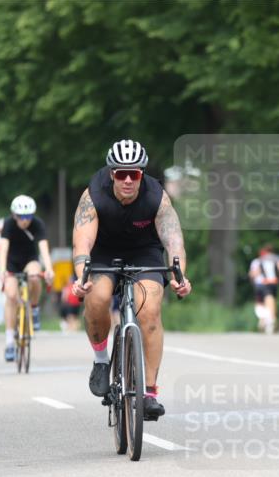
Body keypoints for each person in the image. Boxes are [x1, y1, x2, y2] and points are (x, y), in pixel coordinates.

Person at [70, 139, 192, 420]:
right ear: (111, 173)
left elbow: (174, 242)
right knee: (98, 298)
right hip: (102, 252)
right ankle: (101, 361)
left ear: (142, 174)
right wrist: (81, 278)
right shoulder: (94, 195)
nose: (127, 180)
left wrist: (180, 276)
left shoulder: (156, 196)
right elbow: (83, 243)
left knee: (149, 311)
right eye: (121, 174)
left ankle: (149, 393)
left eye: (134, 174)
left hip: (144, 253)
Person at [0, 195, 53, 362]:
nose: (25, 221)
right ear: (14, 215)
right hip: (12, 263)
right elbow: (3, 249)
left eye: (28, 216)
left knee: (35, 277)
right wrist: (2, 271)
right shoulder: (8, 224)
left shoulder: (37, 224)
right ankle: (9, 342)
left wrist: (49, 268)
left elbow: (43, 248)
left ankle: (34, 308)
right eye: (21, 217)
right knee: (11, 295)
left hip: (30, 260)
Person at [249, 245, 279, 334]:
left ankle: (267, 320)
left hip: (264, 283)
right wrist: (278, 274)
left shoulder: (260, 259)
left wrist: (253, 279)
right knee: (271, 300)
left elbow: (254, 273)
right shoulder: (276, 257)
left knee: (265, 301)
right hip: (274, 282)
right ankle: (269, 320)